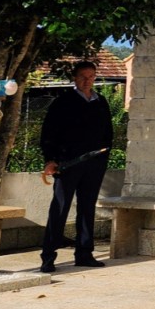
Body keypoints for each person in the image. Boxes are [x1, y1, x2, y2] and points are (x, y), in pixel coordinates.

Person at [39, 60, 114, 273]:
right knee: (60, 208)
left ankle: (84, 253)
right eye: (83, 76)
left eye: (91, 77)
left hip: (94, 164)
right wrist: (50, 159)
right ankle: (48, 257)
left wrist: (103, 155)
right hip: (68, 163)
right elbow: (49, 133)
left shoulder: (101, 102)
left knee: (87, 207)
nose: (87, 81)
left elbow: (108, 133)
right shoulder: (63, 102)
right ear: (75, 77)